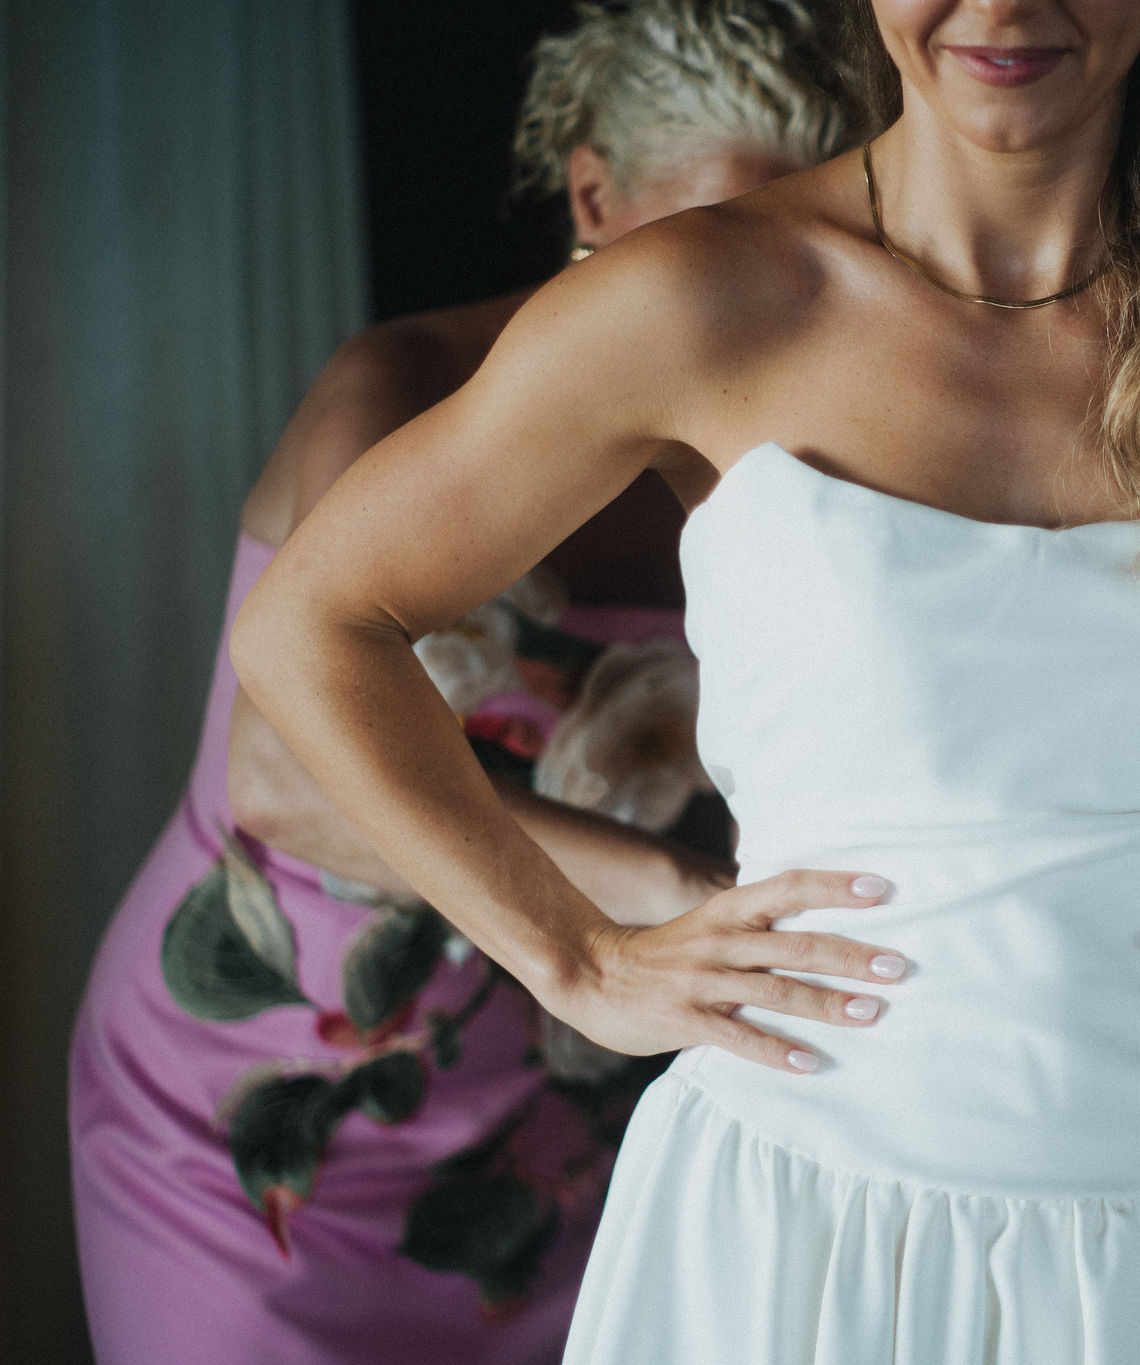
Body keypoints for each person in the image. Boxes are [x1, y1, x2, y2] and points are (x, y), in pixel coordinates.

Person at [231, 0, 1140, 1357]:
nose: (1003, 6)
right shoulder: (696, 301)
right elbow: (317, 621)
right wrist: (577, 958)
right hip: (799, 1226)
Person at [67, 4, 849, 1361]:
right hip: (244, 1145)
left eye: (813, 244)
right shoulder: (404, 387)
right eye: (722, 234)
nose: (760, 295)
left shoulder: (813, 464)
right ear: (594, 199)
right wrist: (662, 885)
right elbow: (286, 777)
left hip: (556, 1158)